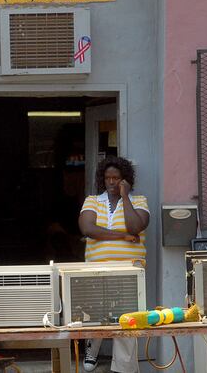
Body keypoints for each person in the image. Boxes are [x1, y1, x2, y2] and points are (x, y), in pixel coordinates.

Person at [77, 157, 150, 373]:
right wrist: (124, 237)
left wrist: (125, 195)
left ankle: (124, 367)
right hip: (97, 269)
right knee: (97, 312)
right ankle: (93, 347)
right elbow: (88, 229)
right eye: (108, 178)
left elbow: (136, 225)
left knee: (127, 318)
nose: (111, 182)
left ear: (125, 180)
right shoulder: (92, 200)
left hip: (130, 271)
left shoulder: (139, 201)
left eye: (116, 178)